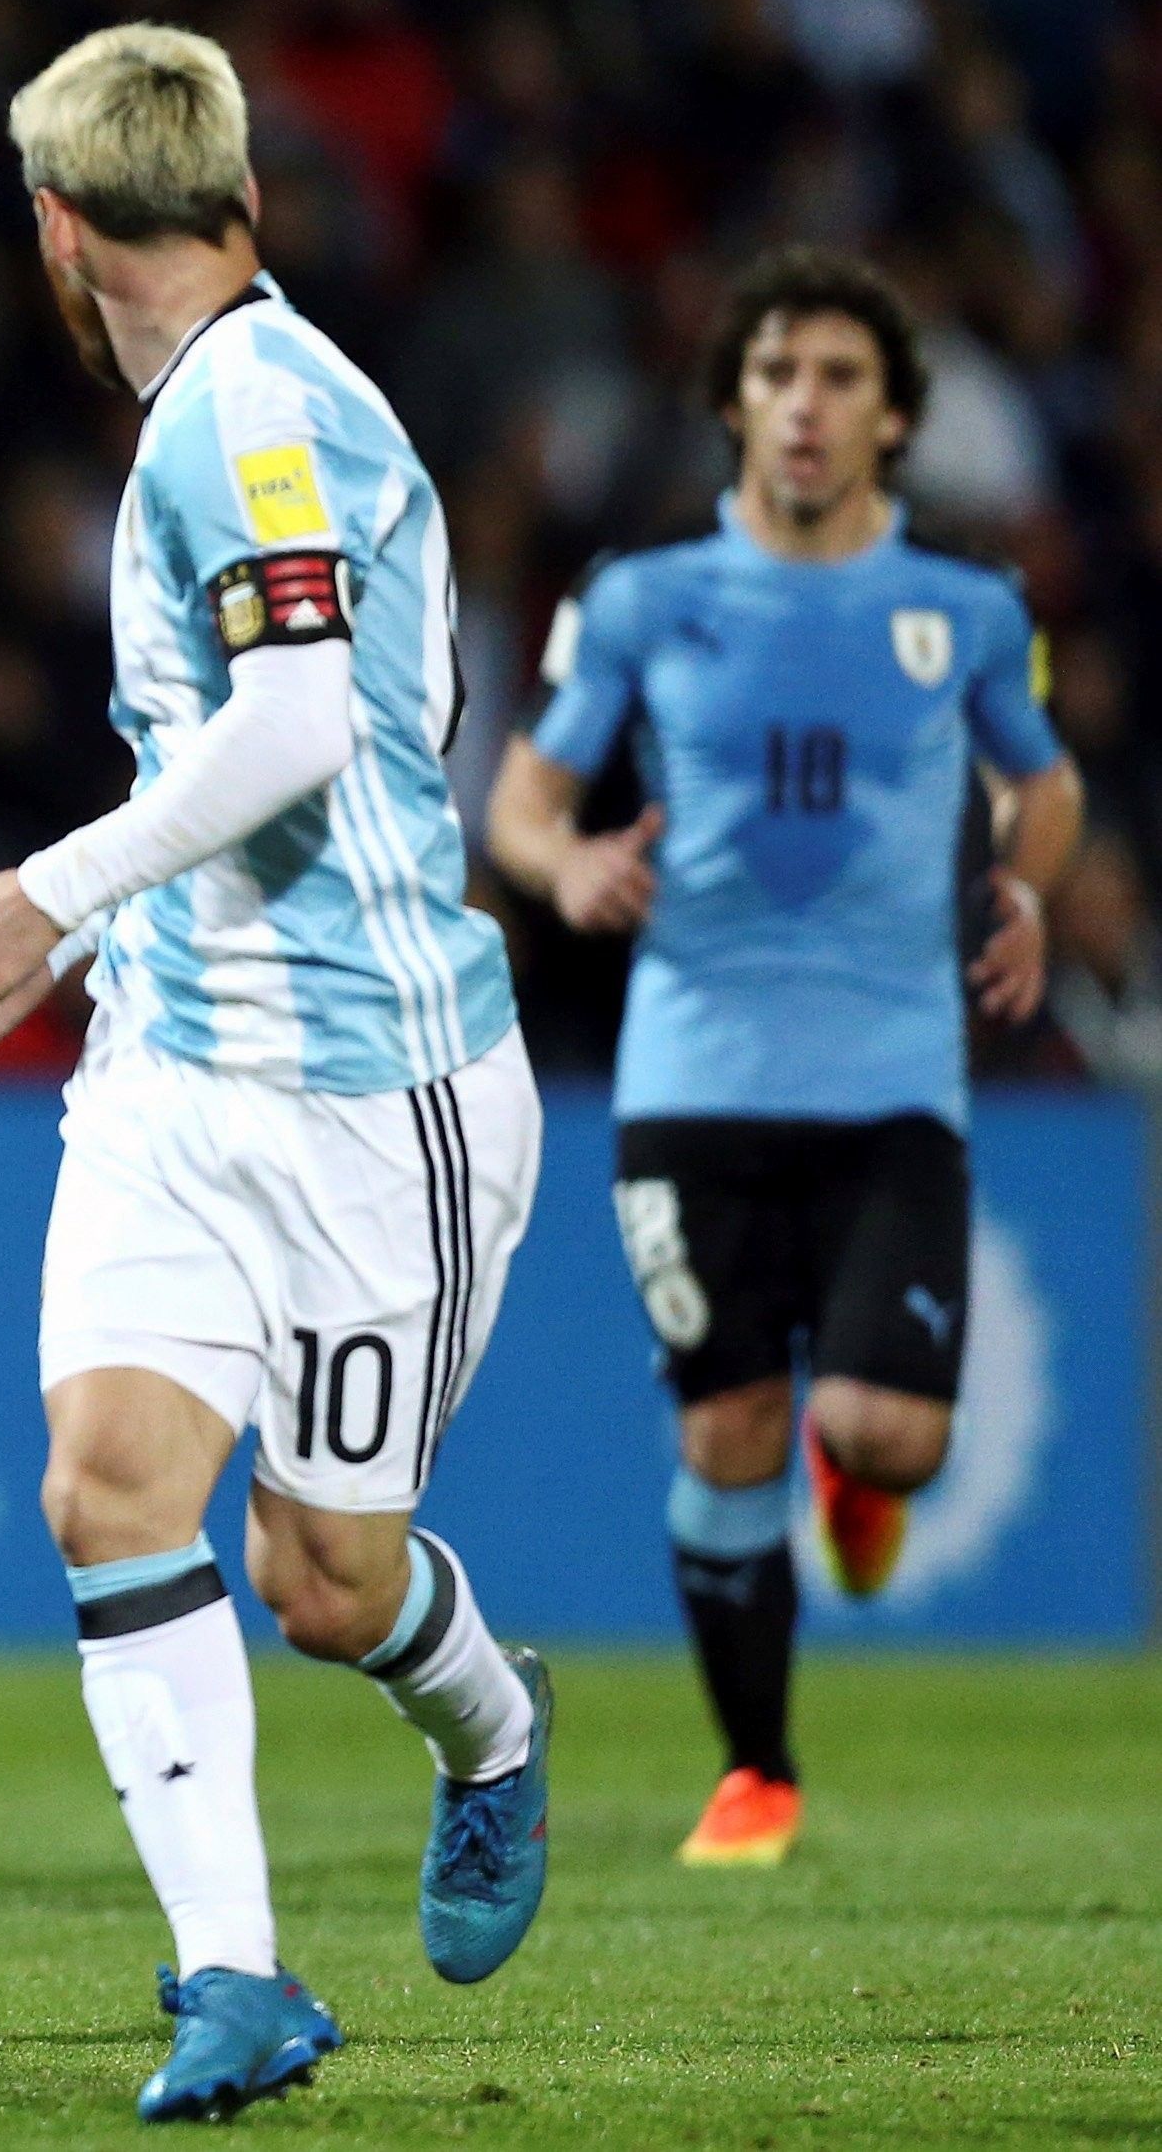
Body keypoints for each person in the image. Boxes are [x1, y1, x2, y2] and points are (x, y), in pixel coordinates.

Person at [0, 26, 550, 2123]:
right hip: (172, 1062)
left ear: (54, 232)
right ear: (236, 192)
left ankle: (492, 1726)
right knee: (104, 1487)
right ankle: (233, 1981)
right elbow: (248, 750)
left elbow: (300, 723)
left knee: (324, 1582)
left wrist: (33, 895)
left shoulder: (254, 409)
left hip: (373, 1090)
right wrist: (76, 942)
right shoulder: (222, 410)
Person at [486, 248, 1079, 1871]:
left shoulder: (965, 611)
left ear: (891, 415)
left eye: (836, 376)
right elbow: (524, 798)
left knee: (890, 1433)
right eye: (773, 375)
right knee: (722, 1428)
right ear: (733, 404)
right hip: (689, 1081)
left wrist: (1027, 883)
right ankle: (755, 1769)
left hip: (891, 1084)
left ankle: (856, 1463)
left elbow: (1041, 783)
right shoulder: (640, 599)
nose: (802, 405)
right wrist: (566, 864)